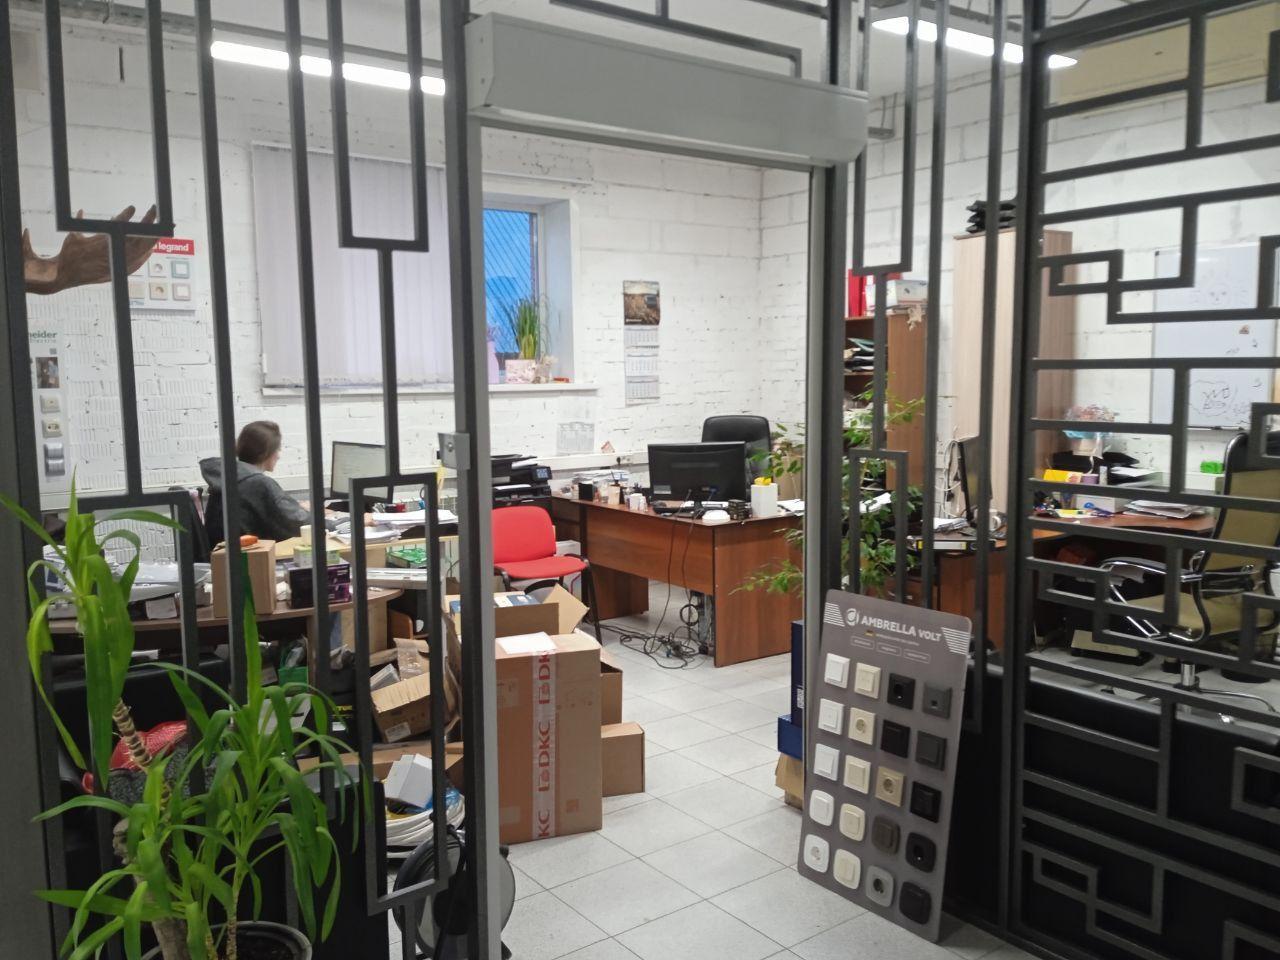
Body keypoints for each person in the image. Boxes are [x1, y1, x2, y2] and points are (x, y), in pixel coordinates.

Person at [200, 421, 309, 544]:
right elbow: (297, 525)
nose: (278, 456)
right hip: (246, 553)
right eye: (277, 450)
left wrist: (298, 508)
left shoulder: (231, 477)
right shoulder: (257, 483)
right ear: (266, 452)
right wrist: (314, 514)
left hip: (226, 551)